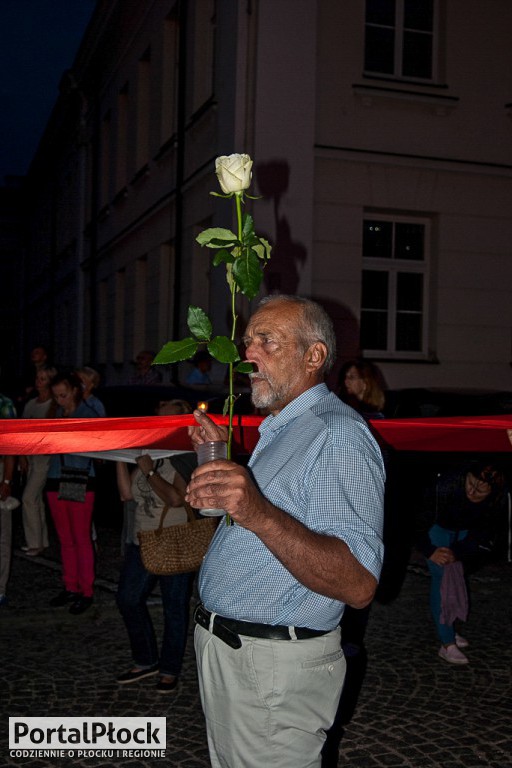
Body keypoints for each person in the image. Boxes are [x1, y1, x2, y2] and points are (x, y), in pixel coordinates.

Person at [185, 295, 385, 768]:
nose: (246, 353)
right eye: (247, 339)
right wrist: (219, 466)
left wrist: (254, 509)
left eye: (266, 340)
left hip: (274, 666)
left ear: (313, 356)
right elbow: (256, 527)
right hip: (235, 652)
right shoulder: (281, 427)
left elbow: (358, 584)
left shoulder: (338, 433)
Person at [115, 400, 195, 694]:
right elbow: (126, 495)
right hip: (142, 540)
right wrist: (122, 459)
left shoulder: (182, 456)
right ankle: (146, 659)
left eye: (165, 421)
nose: (158, 424)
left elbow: (176, 498)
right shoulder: (149, 452)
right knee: (127, 599)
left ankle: (169, 669)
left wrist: (149, 472)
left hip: (173, 540)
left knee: (174, 607)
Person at [417, 460, 506, 665]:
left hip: (463, 531)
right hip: (436, 527)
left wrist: (458, 552)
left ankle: (450, 627)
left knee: (456, 576)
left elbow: (485, 533)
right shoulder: (447, 483)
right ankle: (447, 642)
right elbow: (418, 518)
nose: (472, 492)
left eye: (480, 491)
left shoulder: (496, 501)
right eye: (471, 484)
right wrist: (430, 550)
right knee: (442, 578)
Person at [45, 371, 100, 615]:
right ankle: (71, 586)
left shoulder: (88, 413)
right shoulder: (57, 413)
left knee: (81, 538)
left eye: (63, 395)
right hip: (56, 478)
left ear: (75, 391)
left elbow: (97, 444)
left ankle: (86, 590)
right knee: (65, 539)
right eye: (56, 396)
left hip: (80, 479)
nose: (60, 400)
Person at [19, 367, 57, 555]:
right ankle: (41, 540)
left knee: (28, 498)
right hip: (32, 456)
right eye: (38, 378)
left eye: (43, 379)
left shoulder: (53, 405)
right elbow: (23, 431)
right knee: (36, 500)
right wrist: (23, 456)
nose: (38, 381)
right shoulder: (31, 404)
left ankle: (35, 542)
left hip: (45, 458)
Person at [0, 391, 17, 607]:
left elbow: (11, 443)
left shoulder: (4, 404)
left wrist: (6, 480)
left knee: (2, 536)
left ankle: (0, 588)